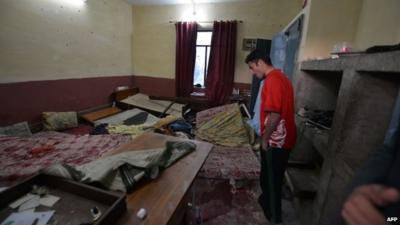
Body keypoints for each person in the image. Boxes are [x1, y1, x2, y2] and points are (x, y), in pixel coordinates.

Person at [245, 49, 297, 224]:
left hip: (277, 141)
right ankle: (265, 201)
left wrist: (265, 139)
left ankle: (274, 216)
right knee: (268, 176)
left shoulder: (273, 80)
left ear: (260, 62)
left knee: (272, 180)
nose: (253, 72)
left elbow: (274, 115)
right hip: (282, 139)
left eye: (252, 67)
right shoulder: (283, 78)